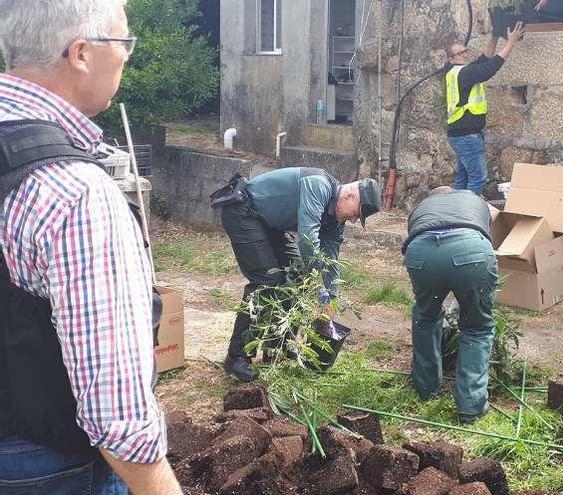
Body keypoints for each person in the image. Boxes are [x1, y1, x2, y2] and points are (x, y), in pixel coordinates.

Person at [0, 0, 182, 493]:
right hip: (43, 464)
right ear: (81, 53)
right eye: (123, 43)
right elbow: (119, 421)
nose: (127, 57)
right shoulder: (73, 192)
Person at [219, 167, 380, 382]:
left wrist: (330, 300)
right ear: (350, 195)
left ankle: (277, 348)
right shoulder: (318, 185)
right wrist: (317, 285)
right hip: (244, 211)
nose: (353, 220)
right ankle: (236, 357)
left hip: (270, 225)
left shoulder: (336, 219)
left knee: (297, 277)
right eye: (356, 213)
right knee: (267, 282)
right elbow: (307, 239)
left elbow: (331, 260)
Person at [402, 186, 498, 424]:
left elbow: (414, 235)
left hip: (422, 254)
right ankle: (471, 405)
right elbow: (491, 224)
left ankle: (425, 388)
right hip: (471, 252)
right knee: (477, 327)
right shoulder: (473, 199)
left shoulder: (421, 209)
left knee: (425, 318)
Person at [446, 22, 525, 194]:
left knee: (463, 178)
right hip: (467, 136)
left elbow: (483, 60)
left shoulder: (457, 71)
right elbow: (489, 68)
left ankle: (453, 214)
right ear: (451, 59)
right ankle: (468, 217)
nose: (465, 55)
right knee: (478, 178)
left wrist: (494, 37)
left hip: (459, 134)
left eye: (465, 51)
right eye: (459, 54)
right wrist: (510, 43)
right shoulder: (464, 73)